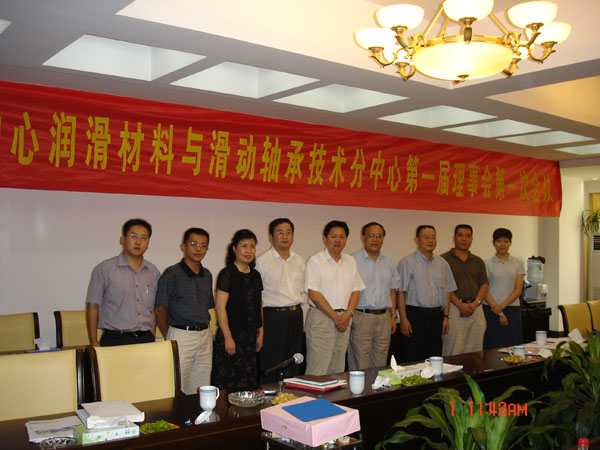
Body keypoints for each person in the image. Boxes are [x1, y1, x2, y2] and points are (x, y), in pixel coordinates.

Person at [154, 228, 214, 395]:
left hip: (205, 335)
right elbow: (159, 309)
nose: (198, 249)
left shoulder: (207, 275)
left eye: (203, 245)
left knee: (202, 386)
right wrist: (170, 335)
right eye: (193, 244)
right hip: (181, 335)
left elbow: (207, 306)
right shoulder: (172, 273)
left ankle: (199, 413)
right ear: (183, 246)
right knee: (178, 386)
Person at [86, 218, 160, 347]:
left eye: (143, 238)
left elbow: (153, 309)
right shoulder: (104, 269)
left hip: (146, 339)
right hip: (115, 339)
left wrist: (152, 335)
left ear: (148, 242)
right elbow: (93, 305)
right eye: (133, 236)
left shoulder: (153, 272)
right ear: (122, 239)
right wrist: (93, 341)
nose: (138, 242)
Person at [304, 220, 365, 375]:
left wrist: (348, 314)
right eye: (333, 236)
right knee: (318, 368)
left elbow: (356, 290)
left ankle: (334, 393)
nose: (338, 240)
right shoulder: (316, 260)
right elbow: (314, 293)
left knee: (337, 368)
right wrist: (336, 317)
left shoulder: (350, 261)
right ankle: (314, 393)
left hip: (345, 319)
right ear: (325, 238)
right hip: (322, 319)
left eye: (342, 237)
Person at [211, 229, 263, 390]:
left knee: (248, 380)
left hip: (250, 337)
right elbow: (220, 308)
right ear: (234, 249)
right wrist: (228, 337)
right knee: (229, 381)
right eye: (244, 246)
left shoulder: (255, 275)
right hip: (231, 335)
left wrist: (261, 333)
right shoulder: (227, 274)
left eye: (252, 246)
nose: (249, 251)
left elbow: (258, 305)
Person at [256, 218, 306, 383]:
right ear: (270, 237)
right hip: (272, 317)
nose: (285, 236)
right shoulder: (262, 261)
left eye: (288, 232)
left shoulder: (299, 260)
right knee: (272, 361)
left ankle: (291, 394)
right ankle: (270, 395)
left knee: (294, 361)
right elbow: (256, 297)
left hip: (296, 315)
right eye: (280, 233)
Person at [396, 225, 455, 363]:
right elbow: (400, 293)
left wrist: (446, 317)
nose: (430, 241)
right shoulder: (407, 263)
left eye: (433, 237)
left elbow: (447, 291)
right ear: (417, 240)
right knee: (414, 357)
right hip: (415, 316)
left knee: (435, 356)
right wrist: (403, 319)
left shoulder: (443, 263)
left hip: (437, 316)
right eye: (426, 237)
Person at [349, 222, 399, 370]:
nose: (375, 239)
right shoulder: (352, 260)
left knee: (381, 361)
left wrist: (393, 315)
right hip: (361, 316)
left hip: (384, 317)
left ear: (383, 239)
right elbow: (348, 292)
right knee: (360, 362)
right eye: (371, 236)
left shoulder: (389, 260)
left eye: (379, 236)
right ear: (363, 237)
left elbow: (392, 290)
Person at [441, 224, 489, 356]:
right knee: (454, 351)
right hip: (454, 309)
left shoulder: (478, 261)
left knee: (476, 351)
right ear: (454, 238)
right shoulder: (443, 260)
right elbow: (444, 287)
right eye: (460, 235)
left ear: (472, 239)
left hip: (476, 309)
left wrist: (475, 303)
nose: (464, 239)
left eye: (468, 236)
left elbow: (484, 285)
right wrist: (460, 305)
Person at [483, 228, 525, 349]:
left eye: (506, 241)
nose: (502, 244)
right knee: (492, 346)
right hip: (491, 309)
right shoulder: (487, 263)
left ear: (510, 243)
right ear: (493, 243)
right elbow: (484, 289)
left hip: (511, 309)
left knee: (513, 346)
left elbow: (518, 290)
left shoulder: (518, 263)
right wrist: (497, 310)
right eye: (499, 241)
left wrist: (501, 307)